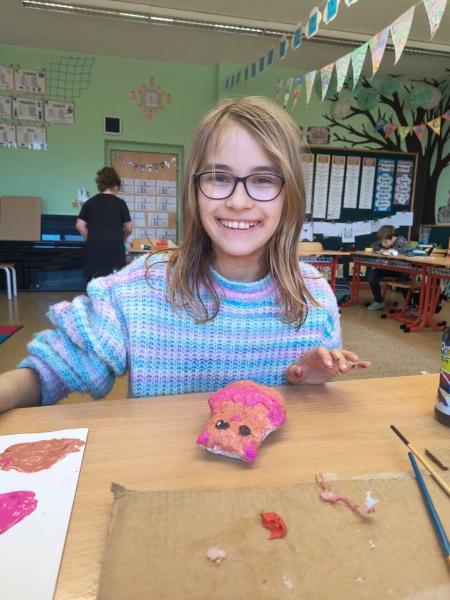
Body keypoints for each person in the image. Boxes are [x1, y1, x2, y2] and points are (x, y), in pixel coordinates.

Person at [0, 96, 369, 413]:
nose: (238, 201)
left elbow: (311, 419)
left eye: (263, 180)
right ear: (194, 190)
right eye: (219, 177)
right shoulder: (140, 287)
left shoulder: (313, 297)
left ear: (290, 196)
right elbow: (50, 370)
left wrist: (307, 381)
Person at [75, 166, 133, 283]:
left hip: (95, 251)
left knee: (95, 284)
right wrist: (123, 239)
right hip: (115, 250)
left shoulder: (90, 203)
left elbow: (79, 225)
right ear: (115, 185)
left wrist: (90, 239)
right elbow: (129, 228)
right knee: (115, 283)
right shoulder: (120, 204)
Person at [366, 225, 410, 311]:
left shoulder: (401, 241)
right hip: (387, 268)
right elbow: (373, 245)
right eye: (382, 242)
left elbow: (406, 251)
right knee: (372, 274)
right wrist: (382, 250)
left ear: (392, 238)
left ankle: (409, 304)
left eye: (385, 242)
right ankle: (378, 301)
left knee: (404, 279)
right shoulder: (383, 241)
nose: (383, 244)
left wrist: (390, 251)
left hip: (401, 269)